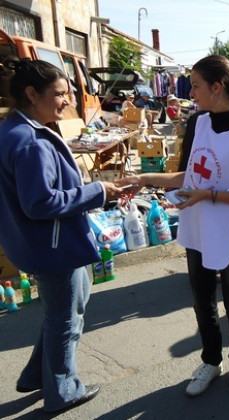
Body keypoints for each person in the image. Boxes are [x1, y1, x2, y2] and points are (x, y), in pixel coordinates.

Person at [116, 54, 229, 398]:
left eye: (195, 86)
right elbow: (189, 175)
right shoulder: (198, 123)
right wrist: (143, 178)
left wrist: (207, 195)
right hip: (198, 224)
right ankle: (210, 362)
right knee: (201, 299)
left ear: (216, 88)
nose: (190, 93)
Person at [0, 58, 123, 413]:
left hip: (41, 242)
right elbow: (40, 203)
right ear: (31, 93)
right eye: (60, 93)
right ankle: (62, 390)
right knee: (65, 318)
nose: (67, 100)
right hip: (52, 245)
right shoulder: (29, 140)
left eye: (69, 92)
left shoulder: (17, 129)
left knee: (65, 308)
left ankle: (37, 375)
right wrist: (97, 191)